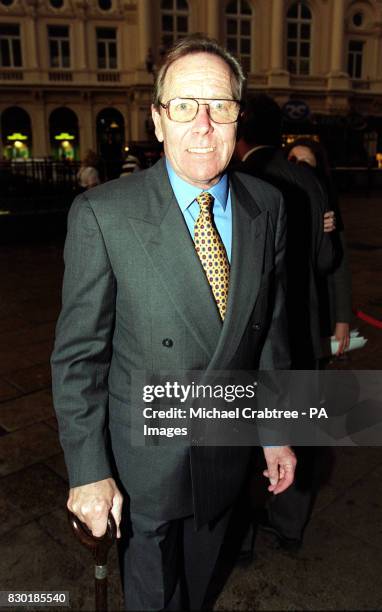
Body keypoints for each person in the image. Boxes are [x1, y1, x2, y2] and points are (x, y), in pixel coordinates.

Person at [51, 35, 296, 611]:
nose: (203, 124)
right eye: (184, 105)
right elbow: (78, 357)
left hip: (227, 449)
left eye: (220, 105)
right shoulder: (103, 214)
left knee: (203, 579)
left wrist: (277, 429)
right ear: (158, 120)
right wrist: (88, 470)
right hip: (144, 463)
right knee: (154, 594)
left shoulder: (270, 206)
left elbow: (272, 330)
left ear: (239, 116)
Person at [235, 94, 337, 552]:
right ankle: (290, 524)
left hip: (256, 340)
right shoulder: (307, 180)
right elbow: (326, 258)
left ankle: (237, 532)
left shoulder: (237, 182)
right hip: (304, 331)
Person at [286, 138, 352, 356]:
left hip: (319, 306)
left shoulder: (327, 203)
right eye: (295, 159)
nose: (301, 165)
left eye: (307, 161)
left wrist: (342, 319)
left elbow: (340, 267)